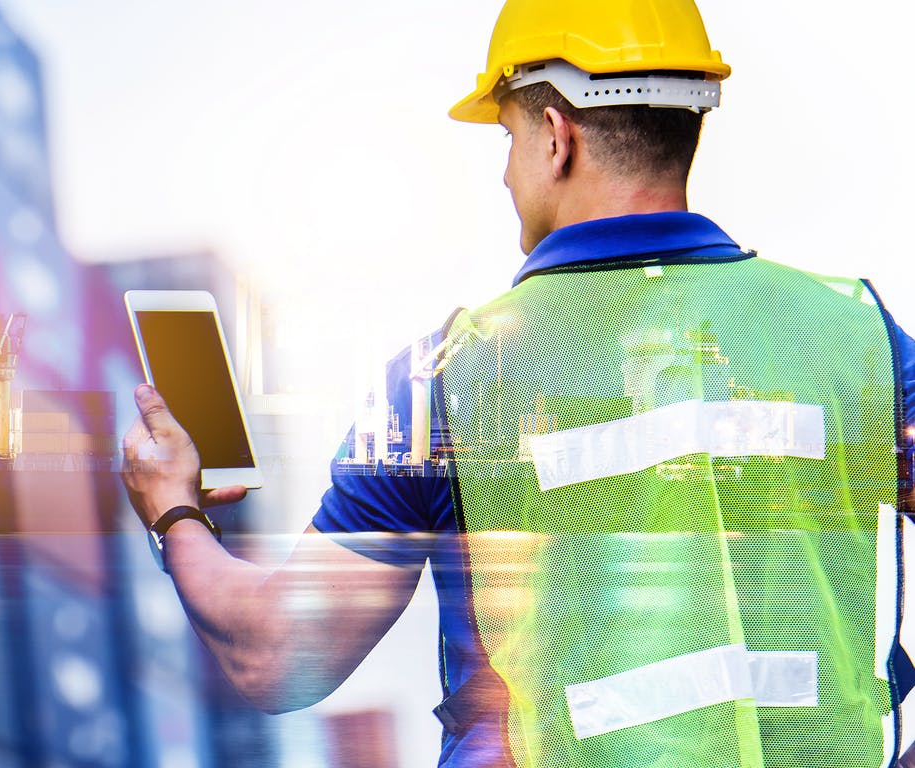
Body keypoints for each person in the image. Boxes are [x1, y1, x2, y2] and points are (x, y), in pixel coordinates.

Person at [121, 1, 915, 765]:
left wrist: (174, 511)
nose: (503, 175)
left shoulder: (442, 382)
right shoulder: (858, 337)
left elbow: (275, 655)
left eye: (504, 135)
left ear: (554, 137)